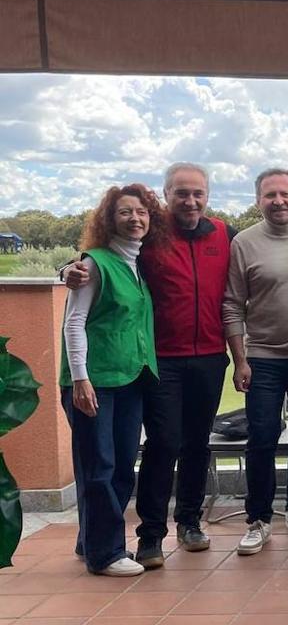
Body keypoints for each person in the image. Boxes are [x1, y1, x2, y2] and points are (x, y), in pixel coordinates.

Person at [63, 163, 235, 568]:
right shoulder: (154, 237)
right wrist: (68, 269)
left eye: (197, 193)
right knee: (163, 444)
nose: (190, 201)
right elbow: (97, 260)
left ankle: (189, 522)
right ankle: (150, 536)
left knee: (197, 444)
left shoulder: (225, 234)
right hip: (160, 363)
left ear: (207, 195)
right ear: (168, 194)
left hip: (209, 357)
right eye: (181, 193)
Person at [60, 184, 166, 576]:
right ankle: (105, 554)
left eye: (141, 212)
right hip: (95, 381)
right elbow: (75, 323)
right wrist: (80, 379)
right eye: (125, 212)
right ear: (110, 219)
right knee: (99, 466)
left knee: (122, 465)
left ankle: (91, 539)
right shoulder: (94, 263)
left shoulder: (137, 263)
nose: (135, 218)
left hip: (131, 378)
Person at [223, 169, 288, 556]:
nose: (278, 201)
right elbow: (232, 302)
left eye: (285, 194)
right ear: (258, 200)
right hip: (262, 357)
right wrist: (240, 359)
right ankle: (259, 519)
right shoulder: (244, 243)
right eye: (270, 195)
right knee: (263, 438)